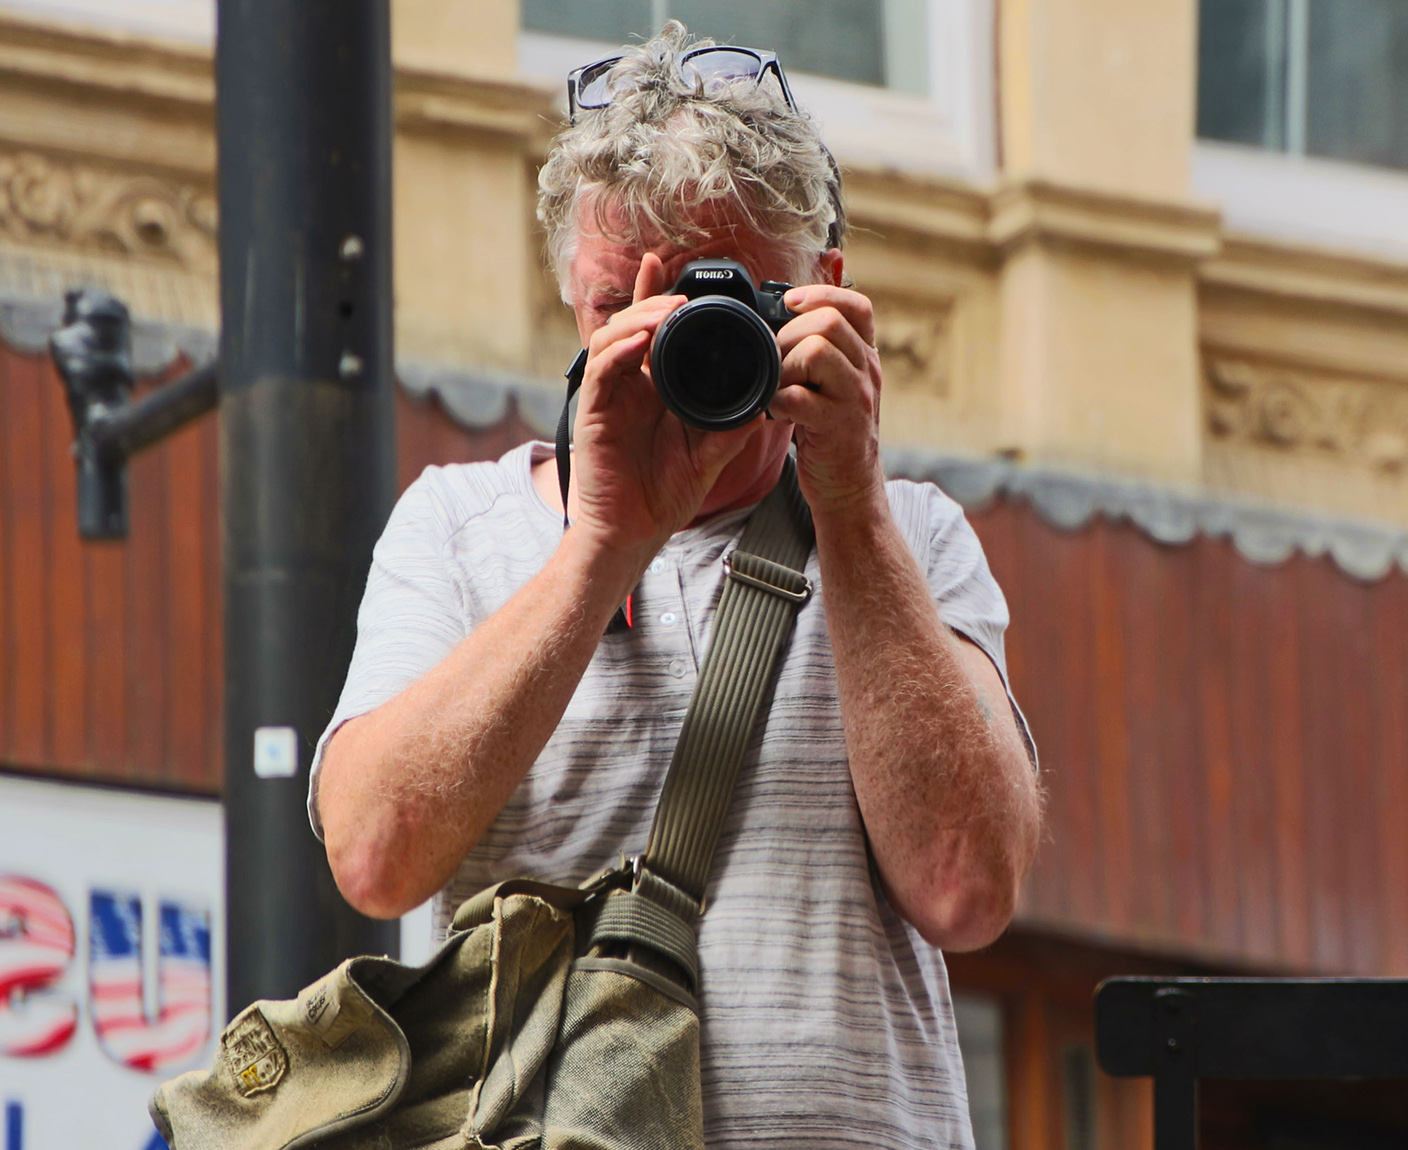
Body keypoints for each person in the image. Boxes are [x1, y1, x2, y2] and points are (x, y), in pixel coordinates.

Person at [310, 22, 1040, 1149]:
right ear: (567, 296)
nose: (673, 349)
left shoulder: (911, 539)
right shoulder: (459, 528)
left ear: (823, 292)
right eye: (622, 309)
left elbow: (966, 888)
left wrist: (847, 500)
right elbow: (373, 855)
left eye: (726, 303)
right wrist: (603, 539)